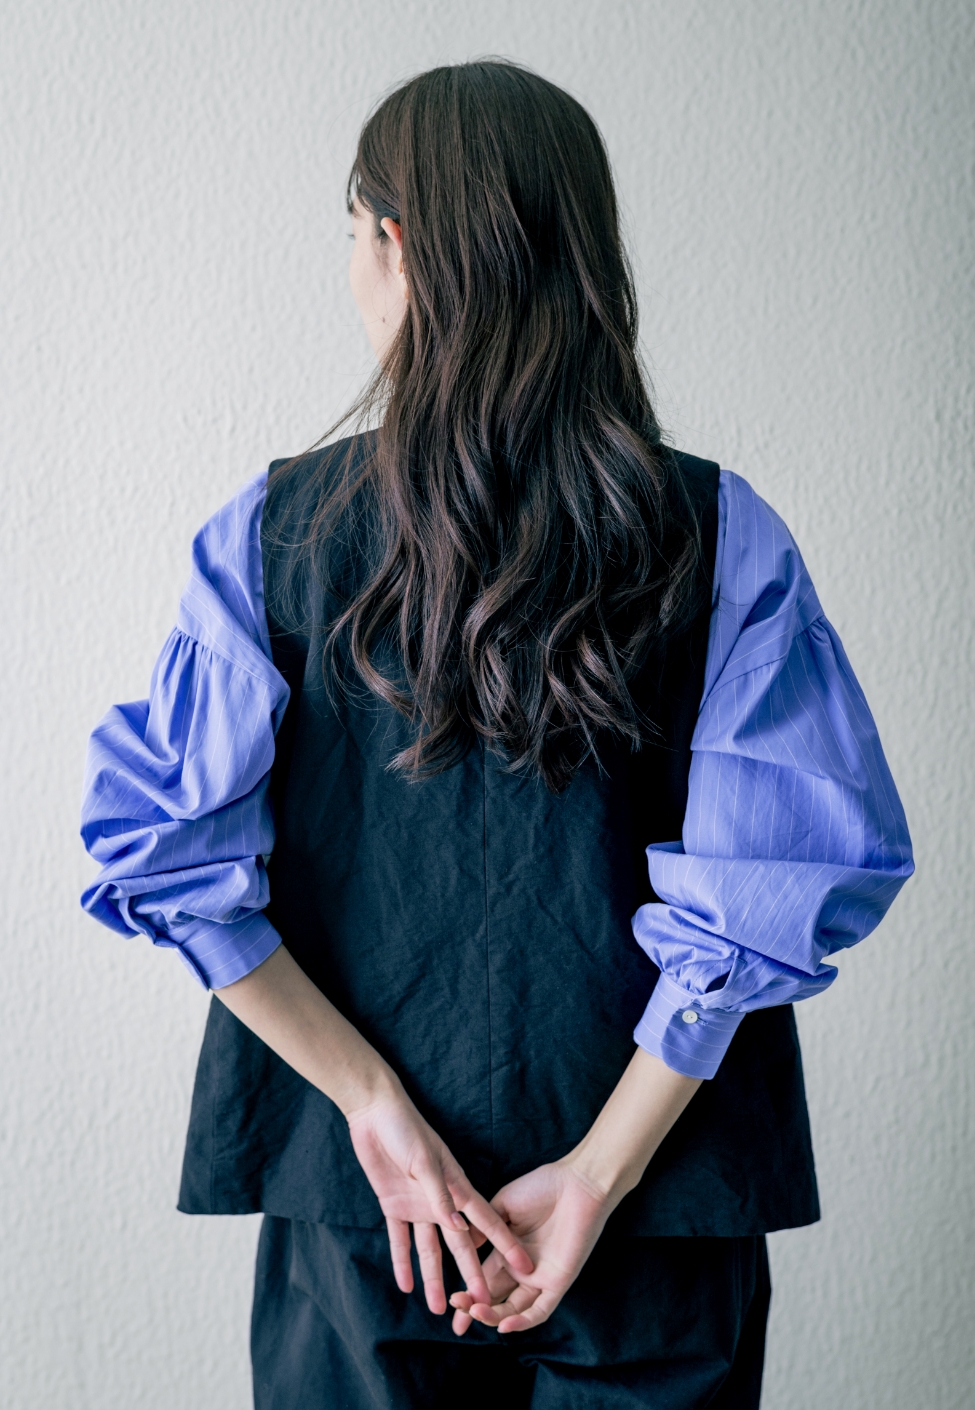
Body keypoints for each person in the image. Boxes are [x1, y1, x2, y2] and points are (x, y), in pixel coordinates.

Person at [80, 60, 913, 1410]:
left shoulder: (268, 535)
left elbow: (172, 862)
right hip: (655, 1222)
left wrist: (376, 1108)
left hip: (364, 1226)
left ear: (392, 241)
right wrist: (596, 1174)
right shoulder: (725, 532)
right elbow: (775, 883)